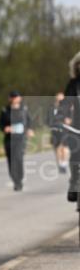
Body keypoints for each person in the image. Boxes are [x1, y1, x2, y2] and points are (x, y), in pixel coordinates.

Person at [0, 91, 33, 191]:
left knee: (18, 158)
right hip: (9, 139)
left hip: (21, 138)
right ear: (10, 99)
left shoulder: (24, 109)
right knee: (11, 160)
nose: (15, 99)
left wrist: (29, 129)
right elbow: (1, 124)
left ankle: (20, 179)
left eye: (17, 97)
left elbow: (29, 121)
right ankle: (15, 180)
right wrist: (5, 128)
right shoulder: (5, 110)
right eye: (13, 97)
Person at [64, 52, 80, 202]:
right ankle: (74, 183)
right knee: (75, 156)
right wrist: (66, 116)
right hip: (76, 126)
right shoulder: (73, 84)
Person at [49, 92, 69, 175]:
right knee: (57, 148)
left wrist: (68, 120)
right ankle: (61, 164)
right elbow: (48, 119)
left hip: (64, 130)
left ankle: (64, 163)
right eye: (59, 98)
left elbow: (70, 117)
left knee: (64, 147)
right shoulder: (51, 108)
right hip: (55, 130)